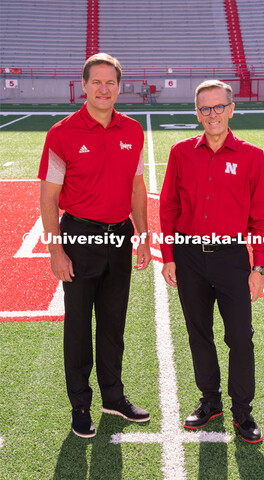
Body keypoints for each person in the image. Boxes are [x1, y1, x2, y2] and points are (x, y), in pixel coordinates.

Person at [39, 53, 152, 438]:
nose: (104, 89)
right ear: (84, 86)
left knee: (113, 323)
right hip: (79, 237)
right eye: (97, 82)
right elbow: (49, 198)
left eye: (111, 82)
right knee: (77, 326)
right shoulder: (62, 133)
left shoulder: (133, 130)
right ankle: (80, 404)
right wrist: (56, 250)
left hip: (119, 235)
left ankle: (113, 397)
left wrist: (143, 235)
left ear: (120, 87)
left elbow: (137, 187)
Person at [160, 80, 264, 443]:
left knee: (240, 336)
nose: (213, 115)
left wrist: (259, 267)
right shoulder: (181, 152)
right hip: (190, 256)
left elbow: (261, 216)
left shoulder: (251, 155)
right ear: (197, 112)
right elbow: (169, 208)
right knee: (199, 333)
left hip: (231, 258)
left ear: (231, 108)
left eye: (219, 107)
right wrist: (169, 257)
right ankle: (211, 401)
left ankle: (243, 411)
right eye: (205, 108)